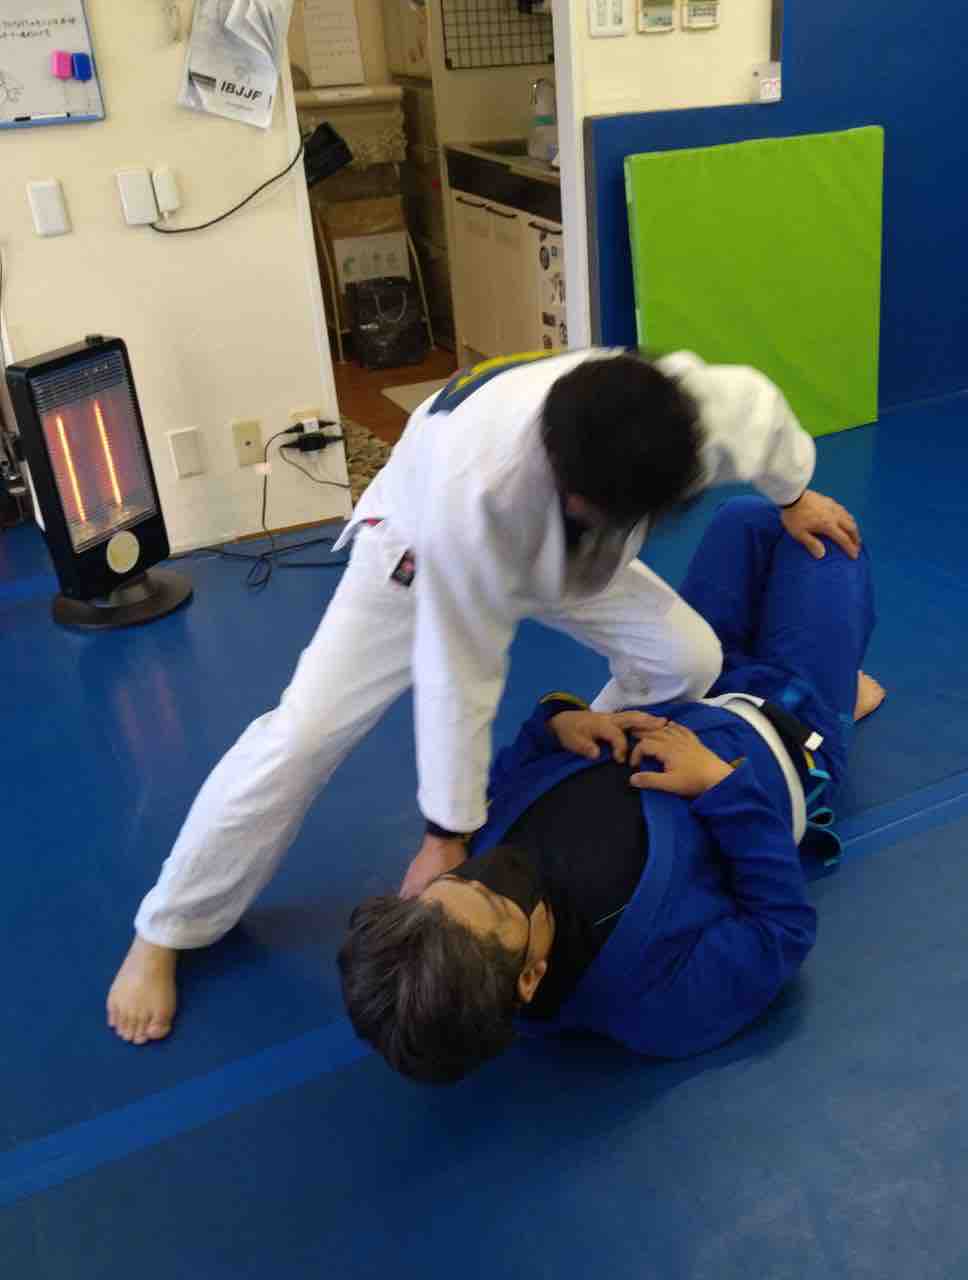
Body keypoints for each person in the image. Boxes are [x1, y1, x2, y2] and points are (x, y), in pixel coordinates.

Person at [107, 349, 864, 1045]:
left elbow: (760, 411)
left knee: (686, 657)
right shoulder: (472, 496)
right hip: (416, 550)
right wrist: (447, 832)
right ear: (567, 484)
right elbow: (458, 676)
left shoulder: (680, 411)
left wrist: (793, 494)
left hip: (571, 547)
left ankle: (591, 763)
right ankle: (168, 926)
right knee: (303, 735)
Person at [338, 495, 880, 1081]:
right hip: (788, 725)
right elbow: (781, 932)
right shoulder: (652, 1004)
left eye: (456, 881)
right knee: (828, 543)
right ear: (529, 977)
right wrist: (720, 788)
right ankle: (838, 692)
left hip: (690, 687)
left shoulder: (458, 889)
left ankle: (834, 672)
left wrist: (556, 724)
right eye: (494, 900)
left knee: (748, 519)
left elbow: (514, 772)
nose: (485, 872)